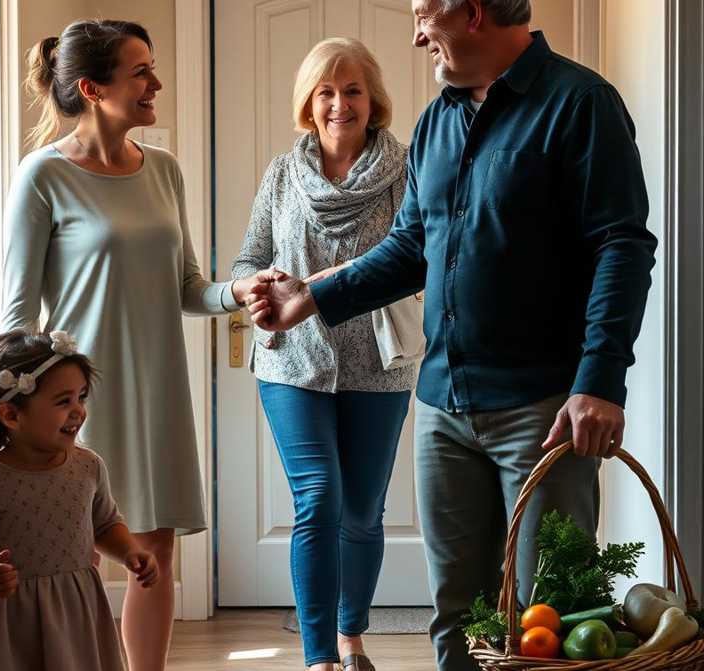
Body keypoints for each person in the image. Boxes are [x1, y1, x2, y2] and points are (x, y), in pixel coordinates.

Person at [243, 2, 658, 669]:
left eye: (422, 16)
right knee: (458, 621)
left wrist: (600, 381)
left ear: (469, 13)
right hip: (442, 408)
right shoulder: (437, 120)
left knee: (548, 614)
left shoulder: (580, 103)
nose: (415, 36)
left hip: (544, 409)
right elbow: (412, 247)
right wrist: (313, 297)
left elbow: (622, 244)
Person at [2, 20, 266, 669]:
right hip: (73, 407)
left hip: (158, 392)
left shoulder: (166, 171)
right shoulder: (42, 176)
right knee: (74, 558)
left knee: (155, 557)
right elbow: (17, 317)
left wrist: (242, 291)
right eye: (140, 71)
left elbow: (188, 286)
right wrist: (23, 417)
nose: (156, 84)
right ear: (92, 88)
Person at [231, 38, 418, 671]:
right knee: (319, 498)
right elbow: (249, 258)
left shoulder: (407, 171)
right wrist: (256, 288)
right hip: (291, 364)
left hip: (380, 365)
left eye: (353, 90)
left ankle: (351, 635)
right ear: (309, 104)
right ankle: (319, 660)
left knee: (363, 511)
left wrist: (319, 285)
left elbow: (415, 262)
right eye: (326, 92)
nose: (340, 104)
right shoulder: (282, 174)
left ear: (374, 100)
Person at [0, 329, 158, 671]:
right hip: (8, 624)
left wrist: (130, 551)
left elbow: (106, 523)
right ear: (11, 415)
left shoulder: (88, 467)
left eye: (81, 397)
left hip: (75, 614)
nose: (78, 412)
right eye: (62, 401)